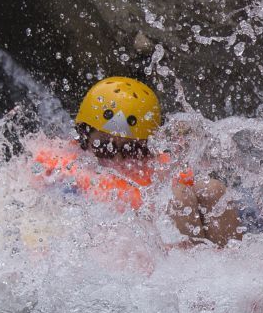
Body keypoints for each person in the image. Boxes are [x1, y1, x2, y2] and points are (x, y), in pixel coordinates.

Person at [31, 75, 241, 247]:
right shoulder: (61, 164)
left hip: (151, 245)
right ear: (84, 134)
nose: (119, 157)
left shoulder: (161, 164)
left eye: (132, 149)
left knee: (211, 189)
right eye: (105, 146)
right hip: (119, 251)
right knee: (178, 199)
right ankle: (193, 287)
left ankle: (238, 276)